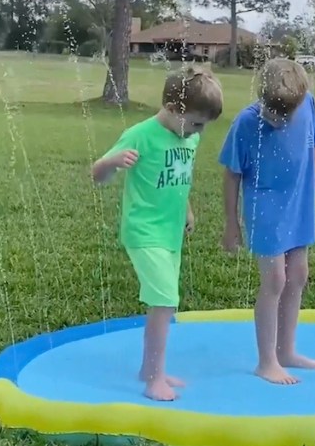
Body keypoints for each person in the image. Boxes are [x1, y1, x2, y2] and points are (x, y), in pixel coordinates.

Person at [91, 64, 224, 401]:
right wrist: (113, 162)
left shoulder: (188, 137)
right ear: (173, 109)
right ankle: (154, 379)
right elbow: (97, 174)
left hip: (170, 233)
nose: (198, 132)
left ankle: (148, 369)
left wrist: (187, 207)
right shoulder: (140, 134)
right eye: (195, 123)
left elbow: (180, 179)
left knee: (164, 301)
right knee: (164, 300)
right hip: (143, 230)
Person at [218, 57, 315, 385]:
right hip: (265, 208)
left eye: (286, 113)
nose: (279, 119)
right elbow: (231, 175)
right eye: (273, 112)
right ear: (262, 97)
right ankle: (266, 361)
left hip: (299, 205)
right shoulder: (246, 122)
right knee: (275, 281)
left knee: (298, 275)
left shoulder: (307, 103)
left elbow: (313, 144)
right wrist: (231, 223)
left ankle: (287, 351)